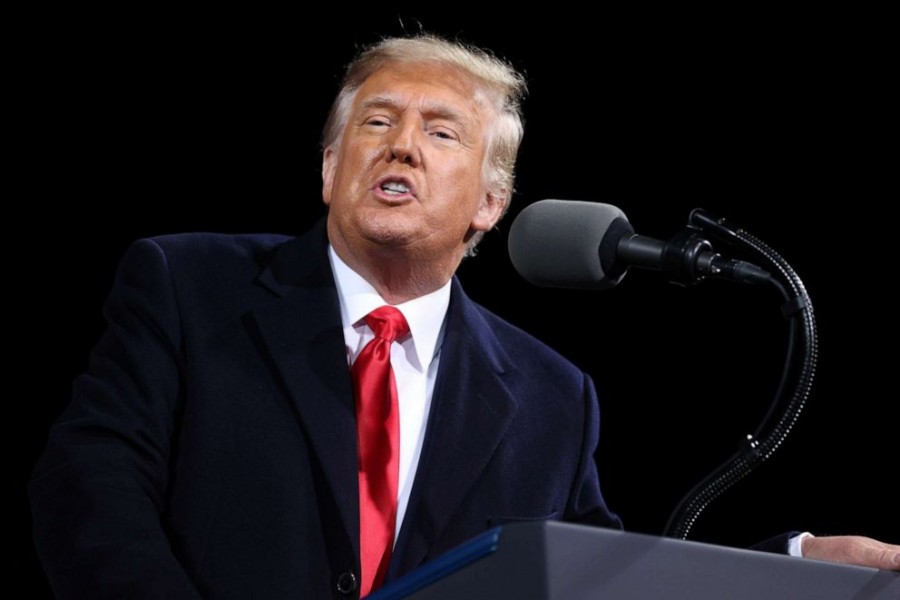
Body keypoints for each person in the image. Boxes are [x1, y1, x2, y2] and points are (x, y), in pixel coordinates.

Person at [30, 33, 898, 599]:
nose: (401, 143)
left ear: (491, 201)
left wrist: (788, 568)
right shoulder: (188, 288)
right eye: (376, 122)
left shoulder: (555, 398)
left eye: (441, 132)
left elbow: (605, 582)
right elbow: (91, 490)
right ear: (331, 169)